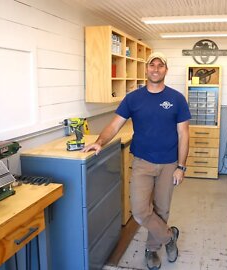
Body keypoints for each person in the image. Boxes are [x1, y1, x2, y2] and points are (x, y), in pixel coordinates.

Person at [81, 52, 191, 270]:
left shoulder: (177, 98)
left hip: (169, 163)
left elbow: (184, 134)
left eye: (161, 65)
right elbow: (114, 125)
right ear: (146, 69)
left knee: (162, 209)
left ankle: (151, 249)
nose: (156, 69)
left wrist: (181, 167)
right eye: (152, 65)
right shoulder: (133, 98)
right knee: (140, 211)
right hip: (142, 162)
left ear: (166, 70)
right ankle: (169, 237)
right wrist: (99, 141)